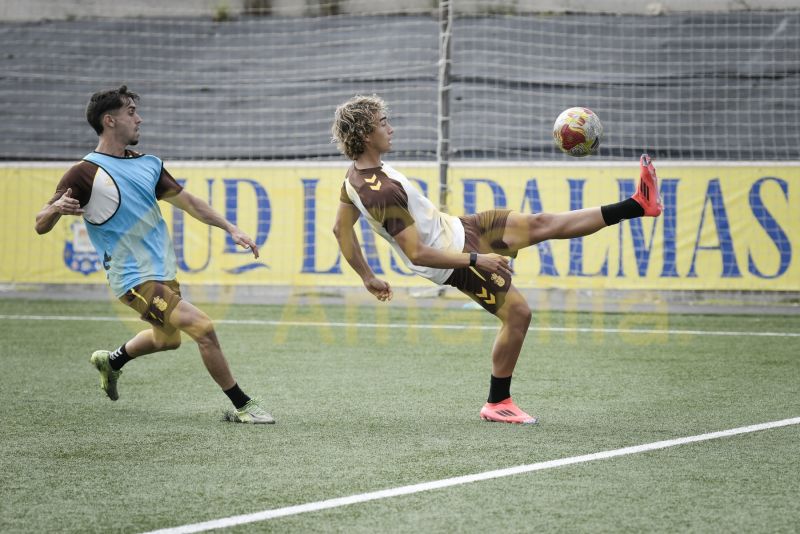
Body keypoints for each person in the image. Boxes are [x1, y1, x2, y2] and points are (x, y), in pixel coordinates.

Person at [331, 94, 662, 425]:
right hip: (453, 258)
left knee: (541, 224)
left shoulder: (356, 176)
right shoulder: (380, 192)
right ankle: (498, 401)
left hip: (462, 228)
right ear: (364, 134)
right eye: (383, 122)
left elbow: (339, 230)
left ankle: (639, 204)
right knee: (518, 315)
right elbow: (416, 252)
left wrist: (367, 277)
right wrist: (477, 260)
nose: (391, 127)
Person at [35, 86, 274, 424]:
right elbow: (40, 223)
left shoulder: (149, 165)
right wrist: (57, 208)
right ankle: (243, 405)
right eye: (131, 111)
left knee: (167, 340)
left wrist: (230, 228)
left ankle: (112, 361)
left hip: (162, 271)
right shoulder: (84, 172)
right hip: (132, 277)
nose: (139, 118)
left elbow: (189, 203)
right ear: (110, 120)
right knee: (202, 327)